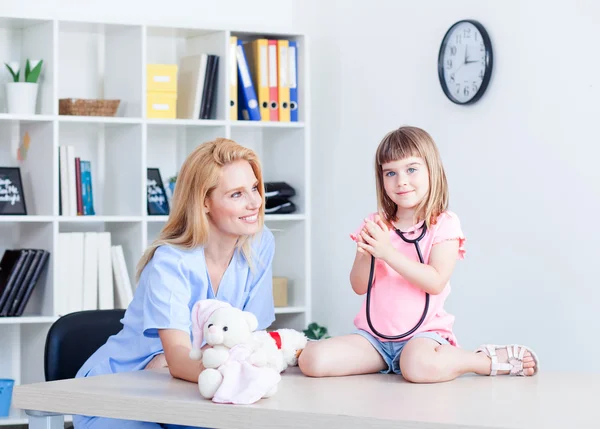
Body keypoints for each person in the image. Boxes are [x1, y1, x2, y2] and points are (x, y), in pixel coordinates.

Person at [298, 126, 539, 383]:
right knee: (313, 360)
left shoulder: (444, 223)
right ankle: (390, 362)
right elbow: (359, 286)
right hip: (375, 339)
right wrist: (366, 253)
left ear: (431, 171)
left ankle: (483, 360)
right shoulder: (376, 223)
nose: (401, 181)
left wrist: (388, 253)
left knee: (419, 366)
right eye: (390, 172)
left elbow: (435, 282)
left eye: (411, 169)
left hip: (423, 336)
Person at [73, 138, 276, 429]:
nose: (254, 202)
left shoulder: (260, 243)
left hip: (192, 386)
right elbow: (180, 360)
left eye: (255, 188)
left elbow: (251, 336)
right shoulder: (171, 261)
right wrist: (238, 375)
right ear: (204, 202)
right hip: (120, 391)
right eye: (236, 194)